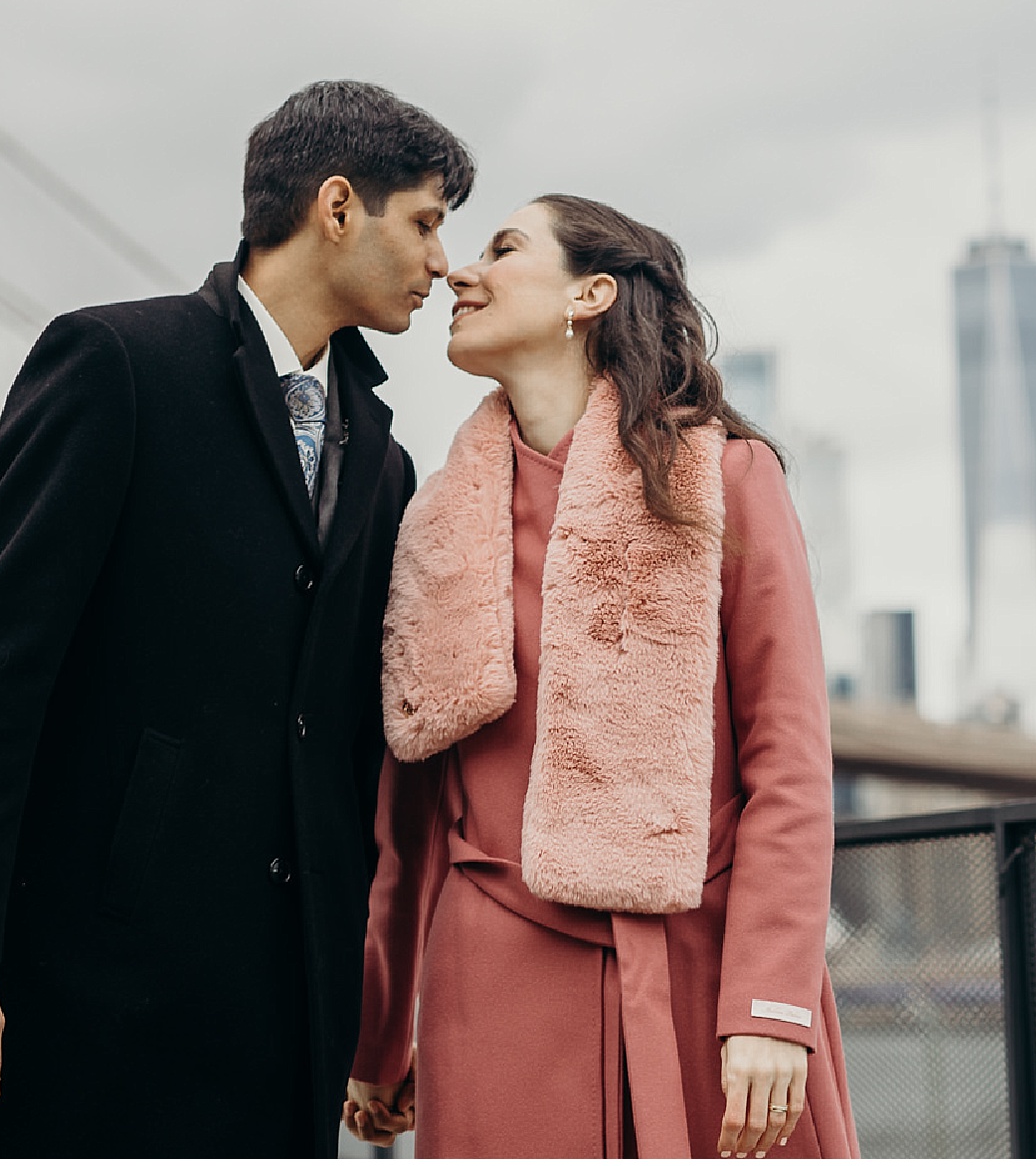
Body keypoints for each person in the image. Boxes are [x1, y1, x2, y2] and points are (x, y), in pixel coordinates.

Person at [0, 81, 476, 1157]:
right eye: (425, 221)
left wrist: (371, 1001)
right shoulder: (115, 365)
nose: (441, 261)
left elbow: (348, 744)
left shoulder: (383, 458)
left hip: (282, 1004)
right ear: (338, 206)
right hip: (85, 979)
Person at [344, 196, 858, 1161]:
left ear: (591, 293)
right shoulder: (434, 526)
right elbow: (406, 818)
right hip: (491, 997)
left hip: (704, 978)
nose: (461, 272)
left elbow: (787, 765)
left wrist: (769, 1003)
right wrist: (378, 1034)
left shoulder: (730, 479)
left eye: (502, 249)